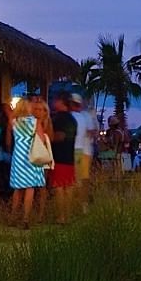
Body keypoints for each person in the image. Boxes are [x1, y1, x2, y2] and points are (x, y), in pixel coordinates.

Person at [8, 96, 50, 225]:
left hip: (18, 155)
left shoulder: (14, 121)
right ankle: (26, 218)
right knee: (29, 187)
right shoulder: (35, 121)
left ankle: (13, 217)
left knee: (17, 188)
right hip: (31, 155)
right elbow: (42, 138)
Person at [47, 92, 77, 221]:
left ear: (61, 102)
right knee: (68, 186)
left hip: (59, 156)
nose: (53, 103)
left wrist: (47, 136)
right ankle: (68, 214)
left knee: (59, 187)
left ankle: (61, 216)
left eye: (55, 100)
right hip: (70, 156)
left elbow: (58, 136)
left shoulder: (58, 119)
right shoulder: (72, 119)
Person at [71, 93, 95, 186]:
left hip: (80, 151)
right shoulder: (85, 115)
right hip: (85, 151)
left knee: (77, 179)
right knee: (82, 179)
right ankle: (82, 199)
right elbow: (92, 132)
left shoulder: (80, 116)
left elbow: (92, 132)